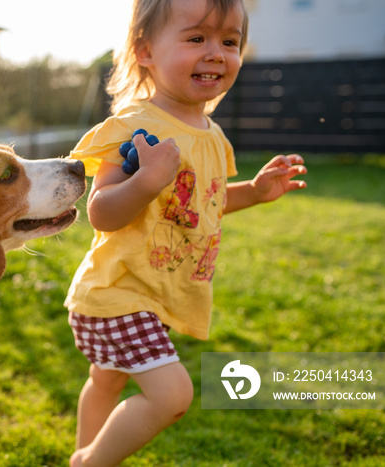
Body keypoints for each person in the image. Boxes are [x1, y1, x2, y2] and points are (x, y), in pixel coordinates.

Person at [65, 0, 307, 465]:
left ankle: (83, 452)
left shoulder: (214, 136)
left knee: (106, 380)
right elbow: (101, 213)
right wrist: (146, 181)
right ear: (145, 51)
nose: (216, 52)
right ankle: (88, 462)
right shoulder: (134, 128)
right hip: (118, 291)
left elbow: (207, 202)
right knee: (172, 395)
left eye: (229, 41)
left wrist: (253, 192)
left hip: (152, 293)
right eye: (196, 38)